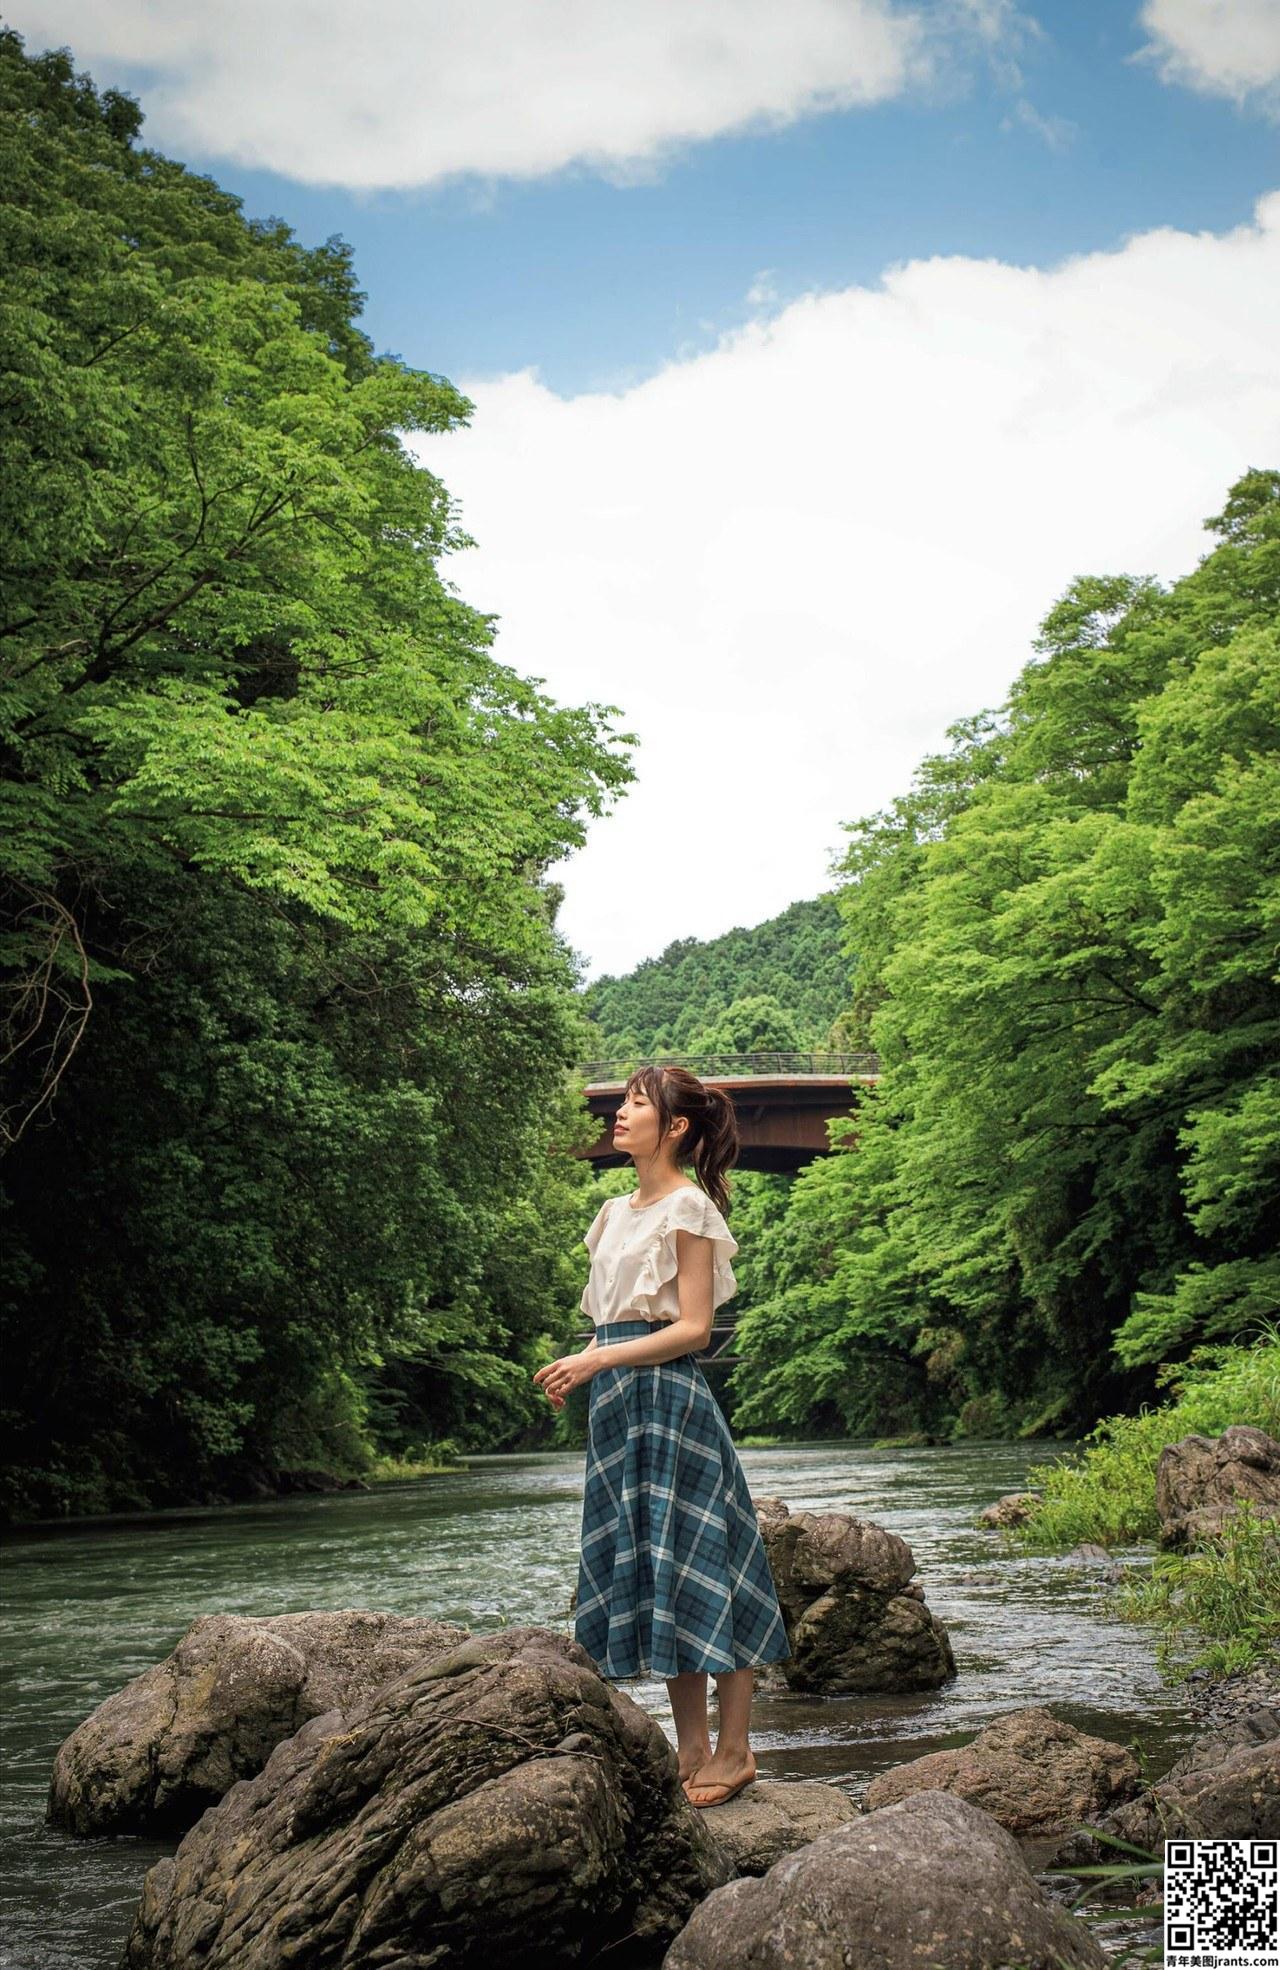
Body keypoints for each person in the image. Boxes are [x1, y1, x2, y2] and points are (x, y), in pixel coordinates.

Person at [532, 1064, 791, 1809]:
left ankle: (737, 1750)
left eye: (634, 1104)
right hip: (616, 1405)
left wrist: (597, 1357)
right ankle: (692, 1752)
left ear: (674, 1127)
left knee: (709, 1560)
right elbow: (612, 1319)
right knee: (660, 1567)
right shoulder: (612, 1213)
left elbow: (694, 1329)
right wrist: (581, 1368)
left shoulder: (691, 1209)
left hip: (672, 1404)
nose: (619, 1115)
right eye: (621, 1104)